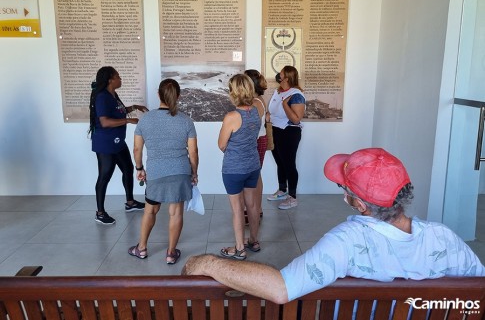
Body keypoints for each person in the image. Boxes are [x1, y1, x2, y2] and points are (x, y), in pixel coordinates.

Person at [182, 148, 485, 304]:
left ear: (361, 204)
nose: (343, 194)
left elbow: (281, 289)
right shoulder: (444, 238)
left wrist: (206, 261)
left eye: (347, 190)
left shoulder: (347, 242)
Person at [128, 79, 198, 265]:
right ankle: (170, 253)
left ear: (158, 95)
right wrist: (194, 172)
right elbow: (193, 152)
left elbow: (137, 149)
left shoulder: (146, 120)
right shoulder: (186, 120)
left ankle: (141, 248)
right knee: (175, 213)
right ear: (178, 97)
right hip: (180, 171)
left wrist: (139, 168)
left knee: (150, 210)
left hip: (156, 173)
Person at [88, 66, 148, 225]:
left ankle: (130, 202)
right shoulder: (102, 97)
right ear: (110, 80)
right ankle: (100, 212)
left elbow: (119, 111)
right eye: (118, 77)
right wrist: (129, 120)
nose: (120, 79)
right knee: (104, 176)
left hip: (118, 143)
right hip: (105, 144)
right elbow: (105, 122)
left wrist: (134, 107)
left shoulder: (113, 95)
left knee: (128, 169)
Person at [218, 74, 263, 260]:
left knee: (238, 209)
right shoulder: (256, 111)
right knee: (252, 205)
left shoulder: (232, 116)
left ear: (234, 92)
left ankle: (239, 248)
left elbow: (221, 144)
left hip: (234, 169)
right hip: (253, 165)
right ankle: (253, 241)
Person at [266, 65, 305, 210]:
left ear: (287, 78)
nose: (278, 75)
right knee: (280, 163)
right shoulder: (279, 91)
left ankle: (292, 197)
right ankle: (282, 190)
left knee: (289, 164)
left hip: (289, 132)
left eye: (280, 74)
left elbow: (296, 119)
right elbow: (273, 111)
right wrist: (269, 116)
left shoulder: (296, 95)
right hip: (275, 131)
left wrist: (284, 104)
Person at [244, 69, 268, 224]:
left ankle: (254, 208)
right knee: (256, 175)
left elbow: (251, 126)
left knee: (254, 176)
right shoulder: (256, 100)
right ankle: (256, 208)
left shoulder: (255, 102)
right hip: (258, 139)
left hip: (256, 141)